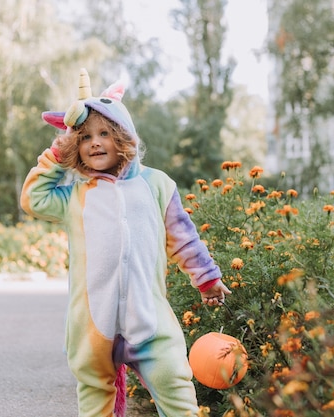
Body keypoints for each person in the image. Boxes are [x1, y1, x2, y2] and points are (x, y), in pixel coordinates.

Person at [20, 68, 231, 417]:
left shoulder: (156, 185)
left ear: (124, 135)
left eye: (105, 132)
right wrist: (58, 150)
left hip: (149, 320)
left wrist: (207, 279)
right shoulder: (74, 196)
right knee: (94, 400)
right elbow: (34, 198)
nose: (95, 142)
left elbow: (183, 237)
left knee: (175, 385)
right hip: (91, 327)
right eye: (84, 137)